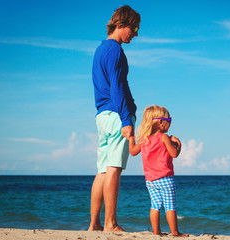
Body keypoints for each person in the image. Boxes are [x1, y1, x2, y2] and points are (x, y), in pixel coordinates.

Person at [88, 5, 140, 232]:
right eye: (134, 28)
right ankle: (110, 223)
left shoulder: (100, 49)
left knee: (102, 170)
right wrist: (127, 120)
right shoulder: (116, 51)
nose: (136, 33)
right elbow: (117, 88)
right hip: (116, 115)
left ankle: (94, 225)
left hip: (102, 114)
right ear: (121, 25)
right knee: (114, 168)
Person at [129, 105, 189, 237]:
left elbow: (132, 152)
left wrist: (131, 138)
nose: (170, 124)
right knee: (170, 206)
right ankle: (175, 232)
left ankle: (156, 231)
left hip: (150, 181)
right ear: (161, 123)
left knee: (155, 206)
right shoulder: (164, 137)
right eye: (169, 121)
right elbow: (174, 154)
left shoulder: (143, 139)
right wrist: (178, 144)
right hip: (165, 179)